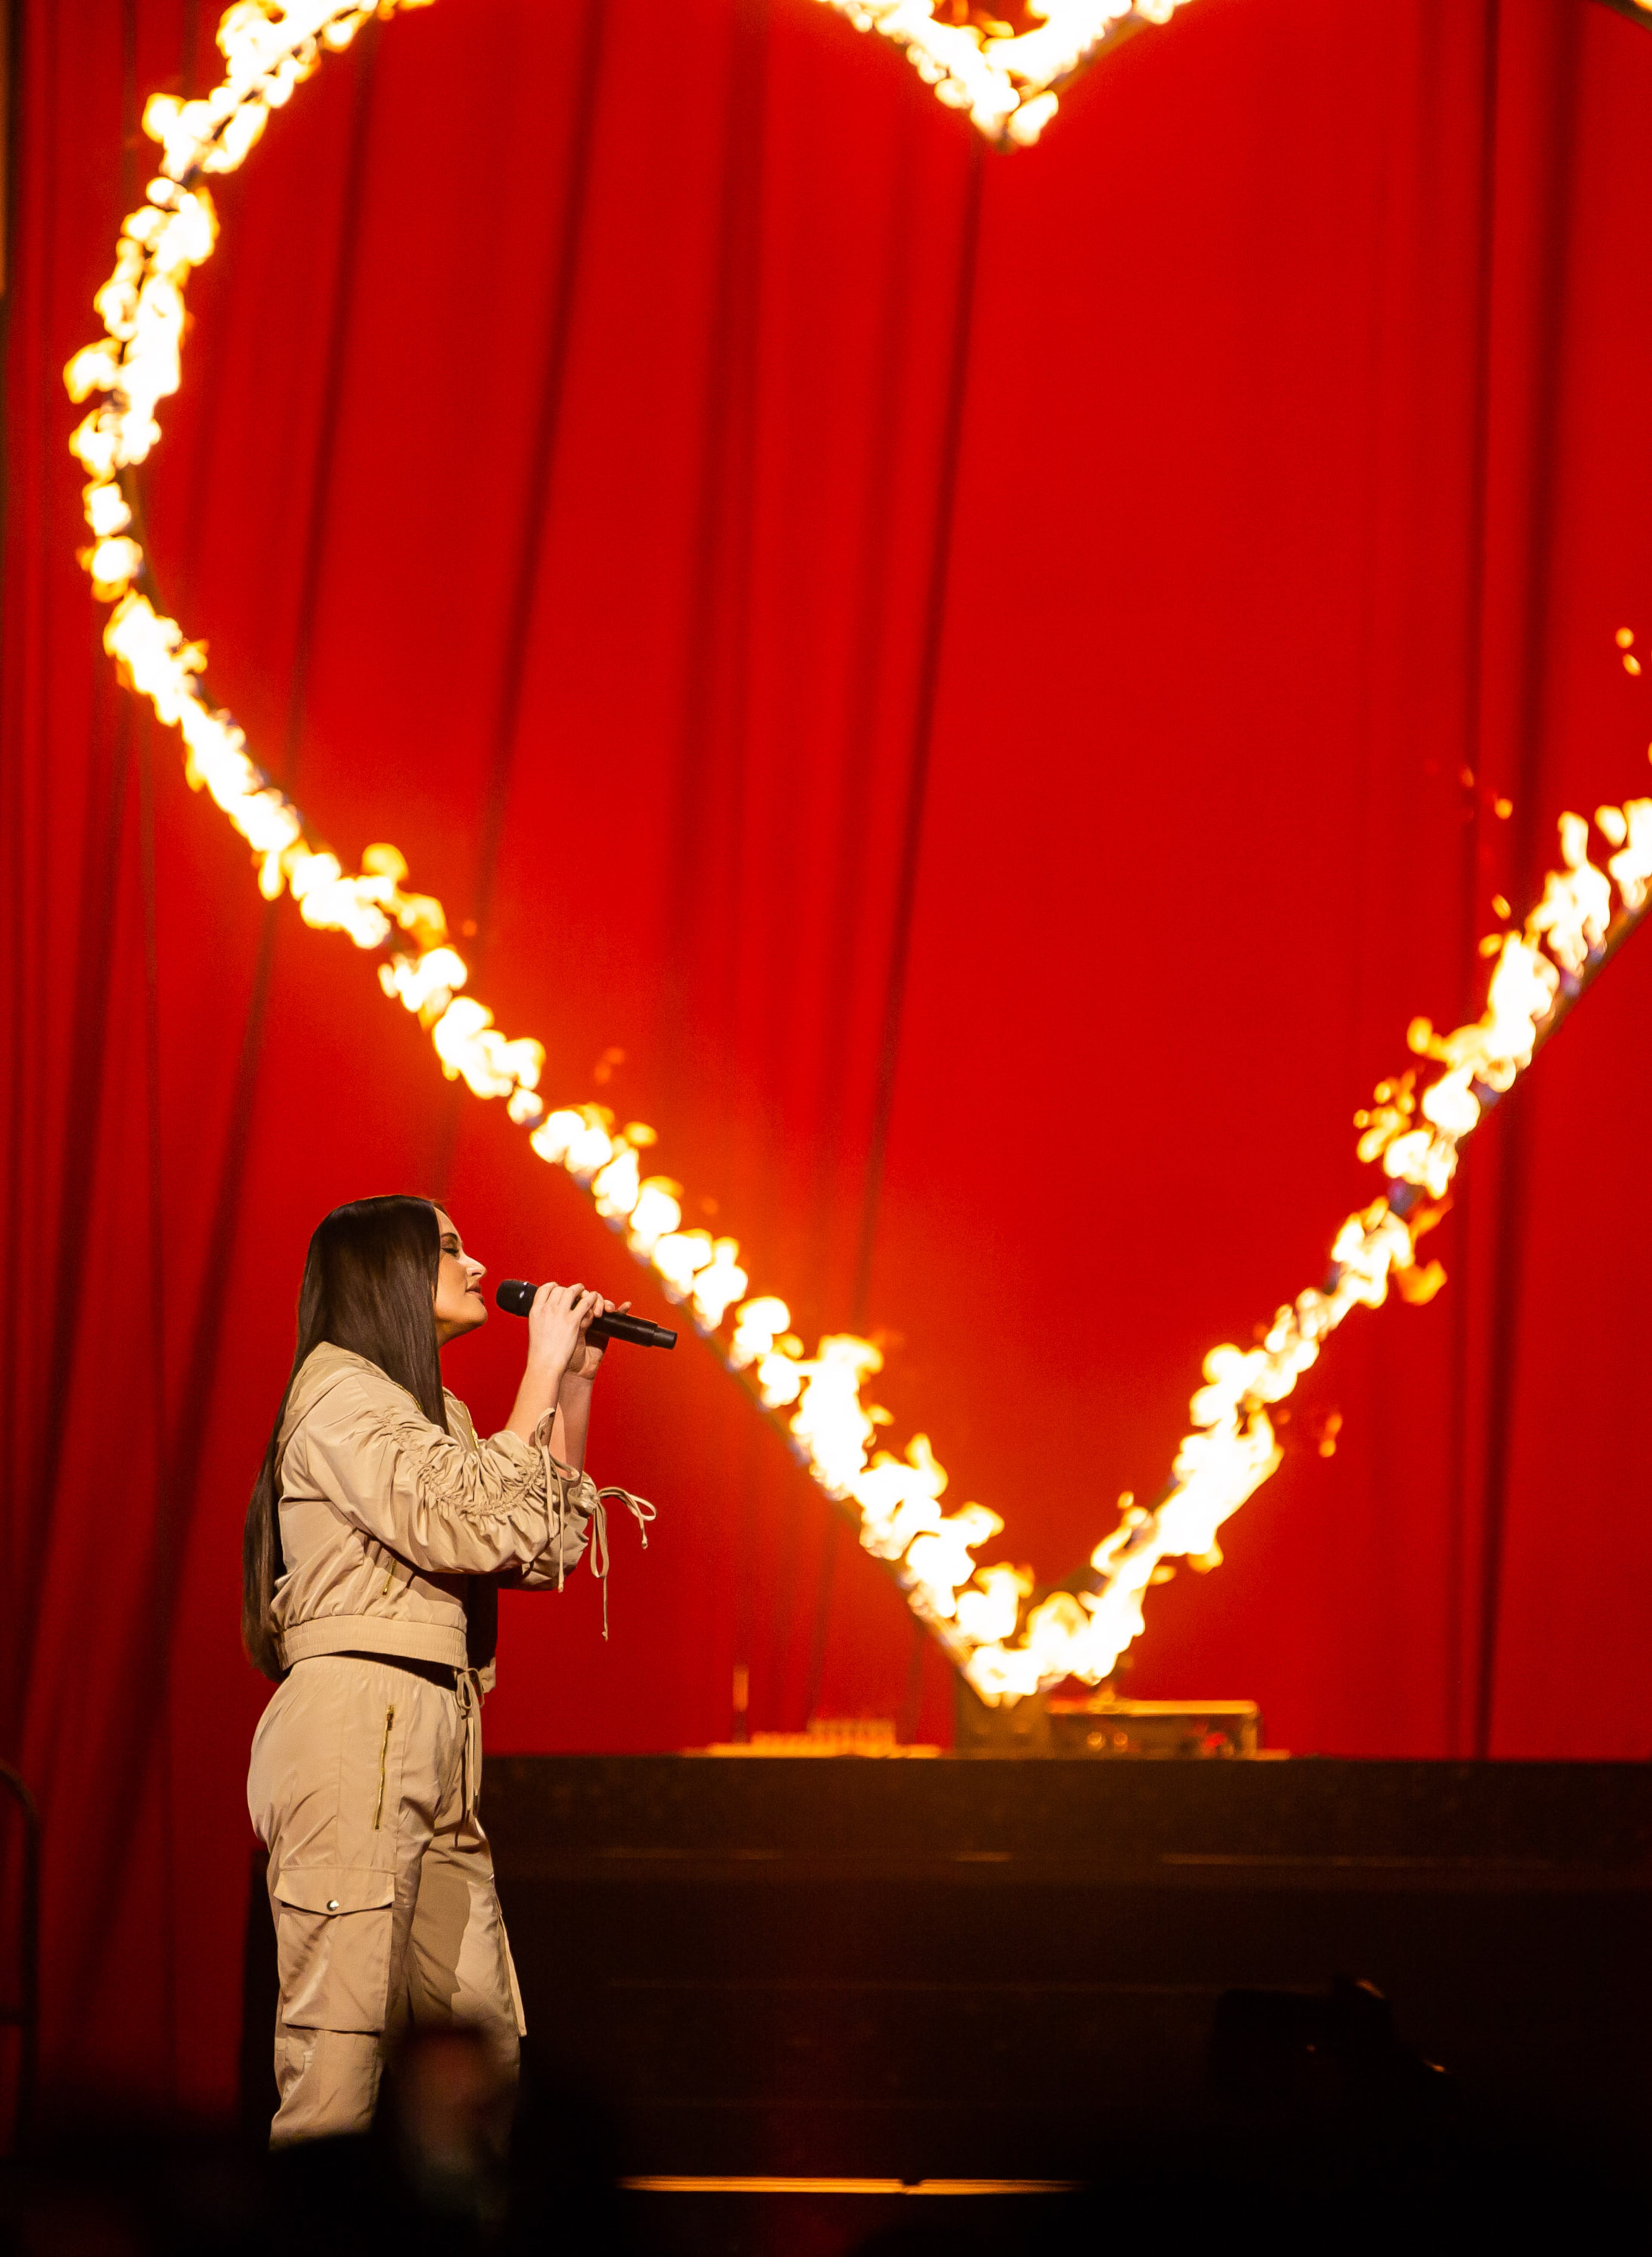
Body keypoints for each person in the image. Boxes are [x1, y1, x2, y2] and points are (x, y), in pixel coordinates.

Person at [243, 1193, 651, 2145]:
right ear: (387, 1272)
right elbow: (464, 1520)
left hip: (436, 1731)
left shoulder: (439, 1412)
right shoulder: (339, 1392)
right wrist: (538, 1363)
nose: (478, 1268)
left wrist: (574, 1386)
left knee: (485, 2062)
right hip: (357, 1724)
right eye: (452, 1250)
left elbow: (534, 1548)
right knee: (337, 2062)